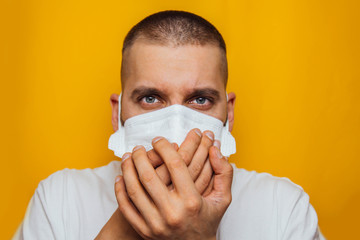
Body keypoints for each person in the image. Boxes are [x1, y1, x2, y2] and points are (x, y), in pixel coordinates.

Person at [13, 10, 324, 240]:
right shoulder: (59, 199)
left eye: (200, 99)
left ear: (228, 115)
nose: (176, 125)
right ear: (117, 113)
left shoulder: (284, 207)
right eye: (150, 98)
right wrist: (123, 227)